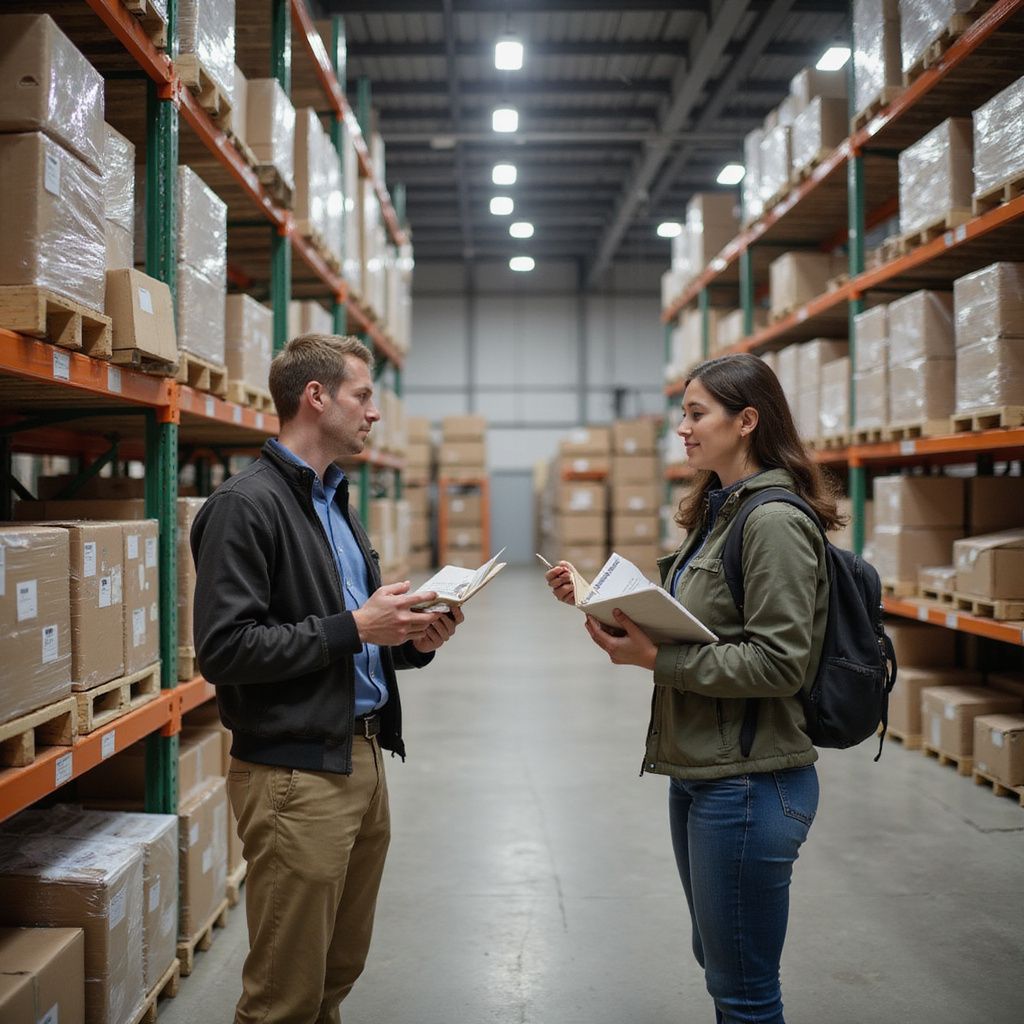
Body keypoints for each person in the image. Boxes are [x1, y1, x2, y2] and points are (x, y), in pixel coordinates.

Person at [545, 352, 840, 1024]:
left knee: (744, 994)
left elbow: (779, 663)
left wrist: (656, 663)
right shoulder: (718, 513)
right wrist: (600, 603)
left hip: (749, 782)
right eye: (683, 412)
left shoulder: (772, 521)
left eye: (696, 413)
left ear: (746, 421)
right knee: (721, 965)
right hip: (705, 771)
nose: (681, 427)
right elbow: (697, 624)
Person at [191, 333, 463, 1024]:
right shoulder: (244, 506)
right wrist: (356, 627)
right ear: (316, 398)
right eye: (362, 396)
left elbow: (348, 637)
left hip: (361, 759)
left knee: (333, 976)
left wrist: (411, 640)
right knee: (284, 997)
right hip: (295, 775)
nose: (374, 414)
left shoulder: (334, 502)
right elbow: (224, 650)